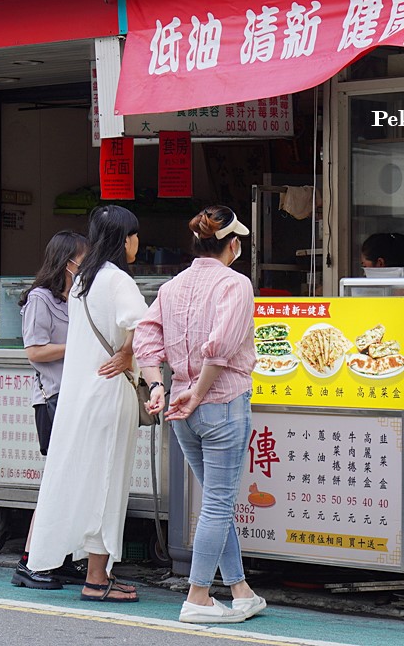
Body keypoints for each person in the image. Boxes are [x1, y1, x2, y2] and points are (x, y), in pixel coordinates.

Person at [134, 205, 266, 625]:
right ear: (233, 245)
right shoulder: (236, 284)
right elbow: (222, 347)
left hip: (182, 410)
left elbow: (146, 336)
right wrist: (197, 392)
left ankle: (241, 590)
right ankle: (198, 597)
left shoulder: (172, 287)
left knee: (216, 502)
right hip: (220, 403)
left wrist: (159, 386)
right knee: (218, 504)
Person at [26, 205, 147, 603]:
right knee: (107, 486)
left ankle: (96, 572)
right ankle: (97, 579)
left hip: (83, 397)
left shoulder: (83, 282)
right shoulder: (118, 281)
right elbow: (145, 329)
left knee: (90, 482)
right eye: (134, 235)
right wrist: (131, 355)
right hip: (111, 396)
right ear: (122, 239)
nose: (137, 242)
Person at [11, 230, 88, 590]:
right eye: (81, 258)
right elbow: (35, 351)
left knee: (74, 483)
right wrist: (76, 345)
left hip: (76, 398)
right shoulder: (40, 299)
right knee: (57, 483)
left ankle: (61, 558)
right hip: (53, 400)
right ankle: (30, 561)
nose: (85, 265)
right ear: (65, 260)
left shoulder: (74, 297)